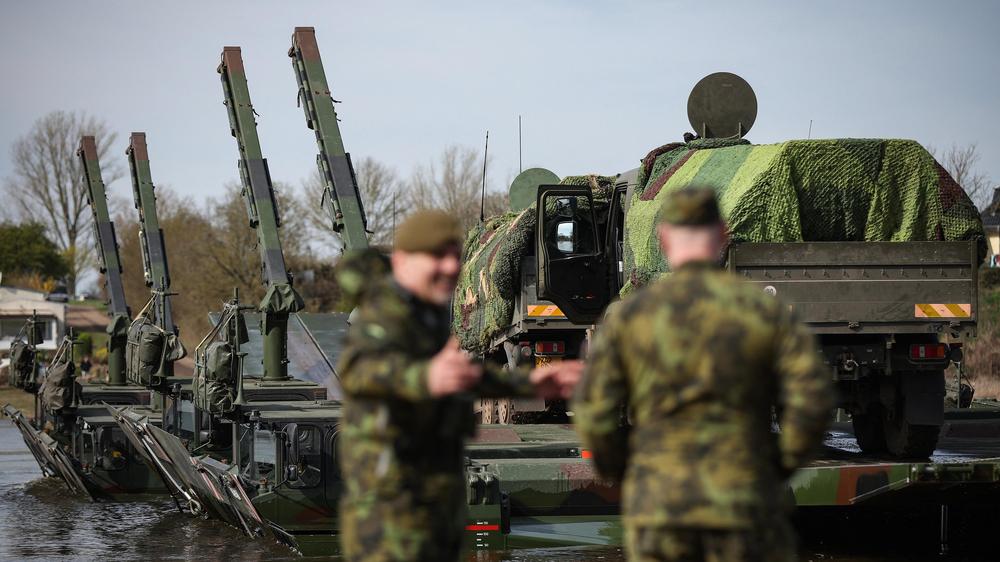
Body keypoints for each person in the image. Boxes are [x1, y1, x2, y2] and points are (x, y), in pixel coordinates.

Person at [574, 187, 833, 562]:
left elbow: (595, 412)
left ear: (663, 238)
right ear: (723, 236)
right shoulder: (765, 313)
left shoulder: (629, 319)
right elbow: (813, 401)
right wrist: (775, 466)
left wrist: (626, 470)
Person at [335, 209, 583, 562]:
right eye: (438, 256)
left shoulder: (428, 313)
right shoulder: (381, 314)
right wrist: (423, 378)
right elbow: (363, 373)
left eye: (454, 257)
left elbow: (462, 374)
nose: (451, 267)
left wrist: (530, 382)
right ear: (404, 260)